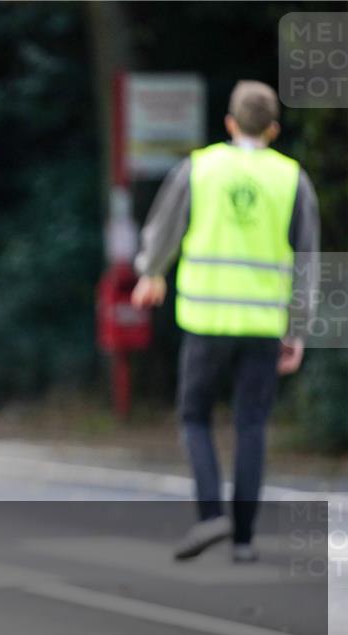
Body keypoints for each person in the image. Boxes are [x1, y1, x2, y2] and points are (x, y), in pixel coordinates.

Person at [131, 80, 320, 563]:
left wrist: (151, 272)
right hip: (263, 325)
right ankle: (243, 540)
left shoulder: (200, 168)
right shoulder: (292, 177)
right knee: (251, 424)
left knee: (194, 417)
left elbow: (163, 227)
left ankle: (212, 513)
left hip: (206, 319)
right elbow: (307, 259)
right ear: (274, 129)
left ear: (230, 123)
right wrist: (297, 328)